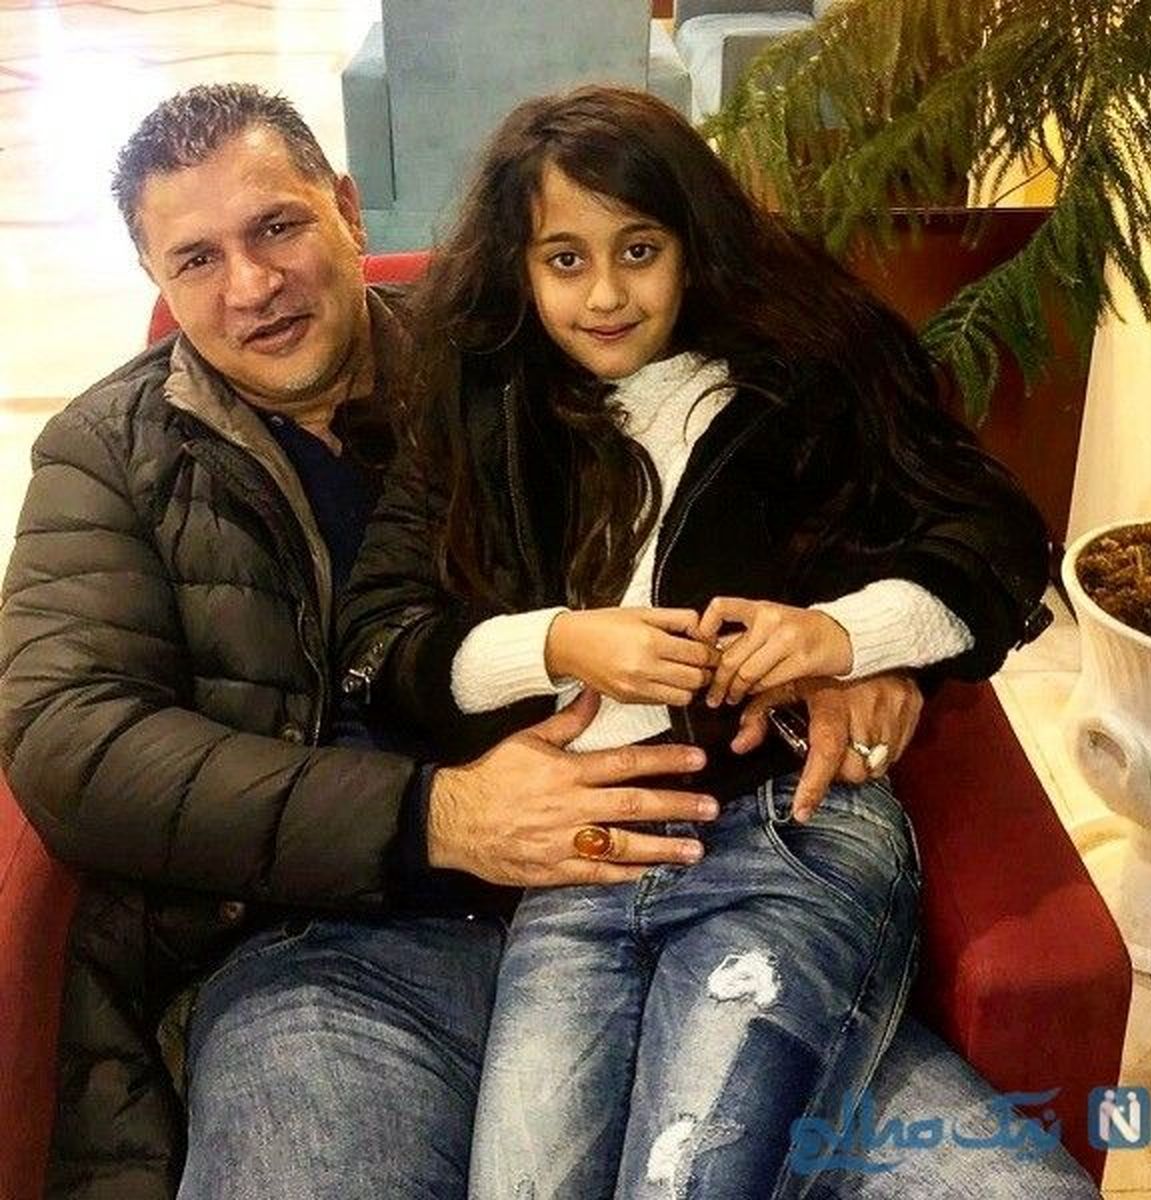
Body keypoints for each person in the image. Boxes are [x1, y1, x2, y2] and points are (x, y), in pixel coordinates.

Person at [0, 82, 1094, 1200]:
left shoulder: (520, 351)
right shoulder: (111, 455)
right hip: (346, 953)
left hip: (688, 863)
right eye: (196, 259)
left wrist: (872, 646)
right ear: (154, 276)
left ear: (349, 210)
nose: (251, 285)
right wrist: (439, 817)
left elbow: (873, 500)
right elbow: (70, 742)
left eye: (277, 227)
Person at [336, 86, 1089, 1199]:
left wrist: (843, 637)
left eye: (639, 250)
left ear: (693, 242)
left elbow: (995, 536)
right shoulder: (477, 402)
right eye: (565, 259)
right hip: (578, 865)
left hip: (781, 829)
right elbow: (382, 641)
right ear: (519, 265)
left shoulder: (808, 371)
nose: (605, 294)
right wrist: (559, 644)